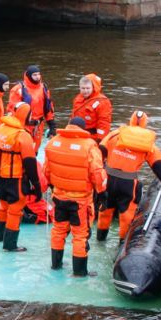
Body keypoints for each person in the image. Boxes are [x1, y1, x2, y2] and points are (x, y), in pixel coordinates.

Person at [44, 117, 107, 276]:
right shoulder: (90, 146)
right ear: (83, 128)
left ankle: (56, 265)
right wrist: (102, 193)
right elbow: (97, 173)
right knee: (80, 236)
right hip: (80, 200)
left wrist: (52, 187)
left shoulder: (53, 143)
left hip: (59, 196)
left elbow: (46, 171)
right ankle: (79, 272)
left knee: (58, 231)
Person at [99, 110, 161, 242]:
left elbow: (100, 151)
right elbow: (159, 165)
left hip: (108, 179)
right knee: (126, 215)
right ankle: (122, 246)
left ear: (130, 120)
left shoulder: (115, 134)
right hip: (128, 183)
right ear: (145, 123)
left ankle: (100, 239)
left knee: (105, 210)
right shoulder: (147, 142)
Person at [0, 101, 41, 253]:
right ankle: (10, 245)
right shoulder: (22, 136)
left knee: (3, 205)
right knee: (15, 210)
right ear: (25, 115)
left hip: (0, 177)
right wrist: (36, 185)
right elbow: (30, 163)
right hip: (15, 178)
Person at [9, 64, 56, 147]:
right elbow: (12, 109)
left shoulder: (43, 88)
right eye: (34, 75)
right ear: (28, 76)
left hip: (38, 126)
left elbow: (48, 107)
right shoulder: (18, 89)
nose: (37, 77)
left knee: (35, 150)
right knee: (23, 149)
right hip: (24, 126)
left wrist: (52, 125)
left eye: (38, 74)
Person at [68, 73, 112, 144]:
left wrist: (101, 140)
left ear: (93, 88)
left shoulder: (103, 102)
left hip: (92, 137)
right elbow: (73, 116)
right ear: (79, 88)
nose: (85, 91)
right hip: (78, 135)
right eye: (83, 88)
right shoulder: (78, 99)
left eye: (88, 88)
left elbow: (104, 122)